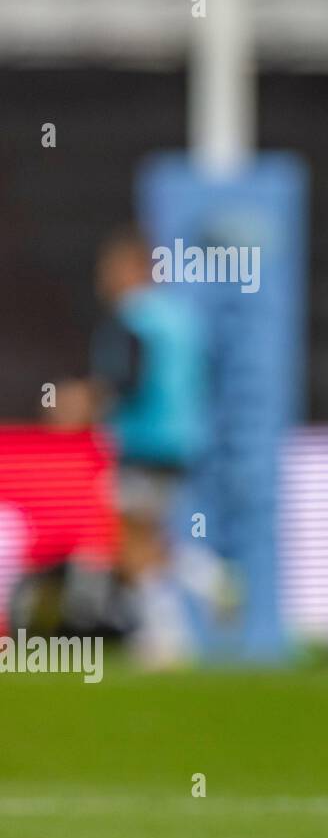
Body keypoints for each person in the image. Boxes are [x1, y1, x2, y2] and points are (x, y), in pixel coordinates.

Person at [89, 225, 210, 668]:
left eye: (111, 269)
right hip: (183, 441)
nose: (104, 279)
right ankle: (209, 578)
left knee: (128, 539)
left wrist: (86, 401)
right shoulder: (182, 317)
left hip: (143, 440)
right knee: (150, 535)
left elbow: (124, 381)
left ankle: (166, 637)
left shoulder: (132, 318)